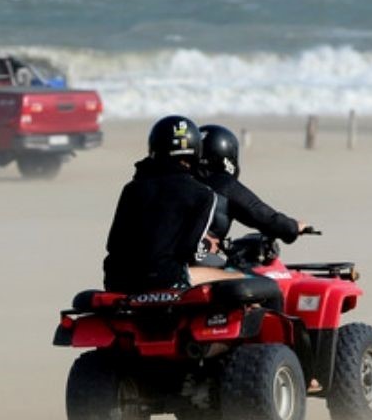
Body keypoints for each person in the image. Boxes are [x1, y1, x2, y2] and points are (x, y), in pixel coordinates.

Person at [102, 115, 240, 293]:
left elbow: (114, 243)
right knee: (245, 279)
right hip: (166, 281)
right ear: (197, 150)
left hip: (117, 282)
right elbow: (190, 252)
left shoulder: (132, 188)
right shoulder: (203, 194)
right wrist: (207, 246)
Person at [197, 125, 307, 243]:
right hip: (199, 257)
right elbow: (261, 215)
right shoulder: (224, 184)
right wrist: (292, 227)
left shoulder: (181, 181)